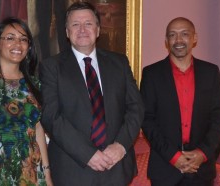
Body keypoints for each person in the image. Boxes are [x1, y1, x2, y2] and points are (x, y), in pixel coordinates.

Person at [39, 2, 144, 186]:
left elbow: (136, 108)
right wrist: (88, 154)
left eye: (88, 23)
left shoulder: (119, 63)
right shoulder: (51, 67)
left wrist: (121, 146)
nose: (82, 29)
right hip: (73, 170)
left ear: (97, 30)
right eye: (75, 24)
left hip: (116, 167)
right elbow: (51, 116)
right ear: (66, 32)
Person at [0, 17, 53, 186]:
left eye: (23, 39)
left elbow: (37, 130)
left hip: (34, 176)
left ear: (28, 47)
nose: (17, 44)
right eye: (10, 38)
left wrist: (47, 176)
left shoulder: (34, 84)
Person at [140, 17, 220, 186]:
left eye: (184, 34)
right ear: (166, 41)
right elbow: (147, 119)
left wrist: (203, 152)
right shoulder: (151, 74)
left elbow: (219, 116)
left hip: (201, 170)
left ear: (194, 38)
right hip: (165, 170)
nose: (178, 40)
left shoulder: (211, 72)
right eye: (172, 35)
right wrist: (174, 157)